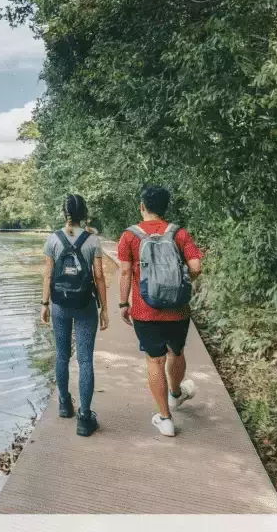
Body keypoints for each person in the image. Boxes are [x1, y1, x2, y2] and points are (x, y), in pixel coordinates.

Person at [118, 186, 204, 437]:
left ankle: (165, 419)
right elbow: (196, 267)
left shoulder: (129, 236)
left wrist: (124, 304)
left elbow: (124, 272)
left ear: (142, 206)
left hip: (146, 310)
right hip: (178, 309)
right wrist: (180, 283)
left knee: (155, 360)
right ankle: (176, 394)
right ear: (166, 207)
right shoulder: (179, 233)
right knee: (176, 352)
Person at [41, 194, 108, 437]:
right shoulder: (92, 241)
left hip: (59, 304)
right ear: (84, 213)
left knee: (61, 356)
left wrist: (44, 303)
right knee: (85, 360)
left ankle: (64, 404)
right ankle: (84, 418)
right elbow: (99, 277)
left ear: (64, 212)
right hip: (85, 306)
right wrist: (105, 310)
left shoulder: (53, 239)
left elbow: (48, 275)